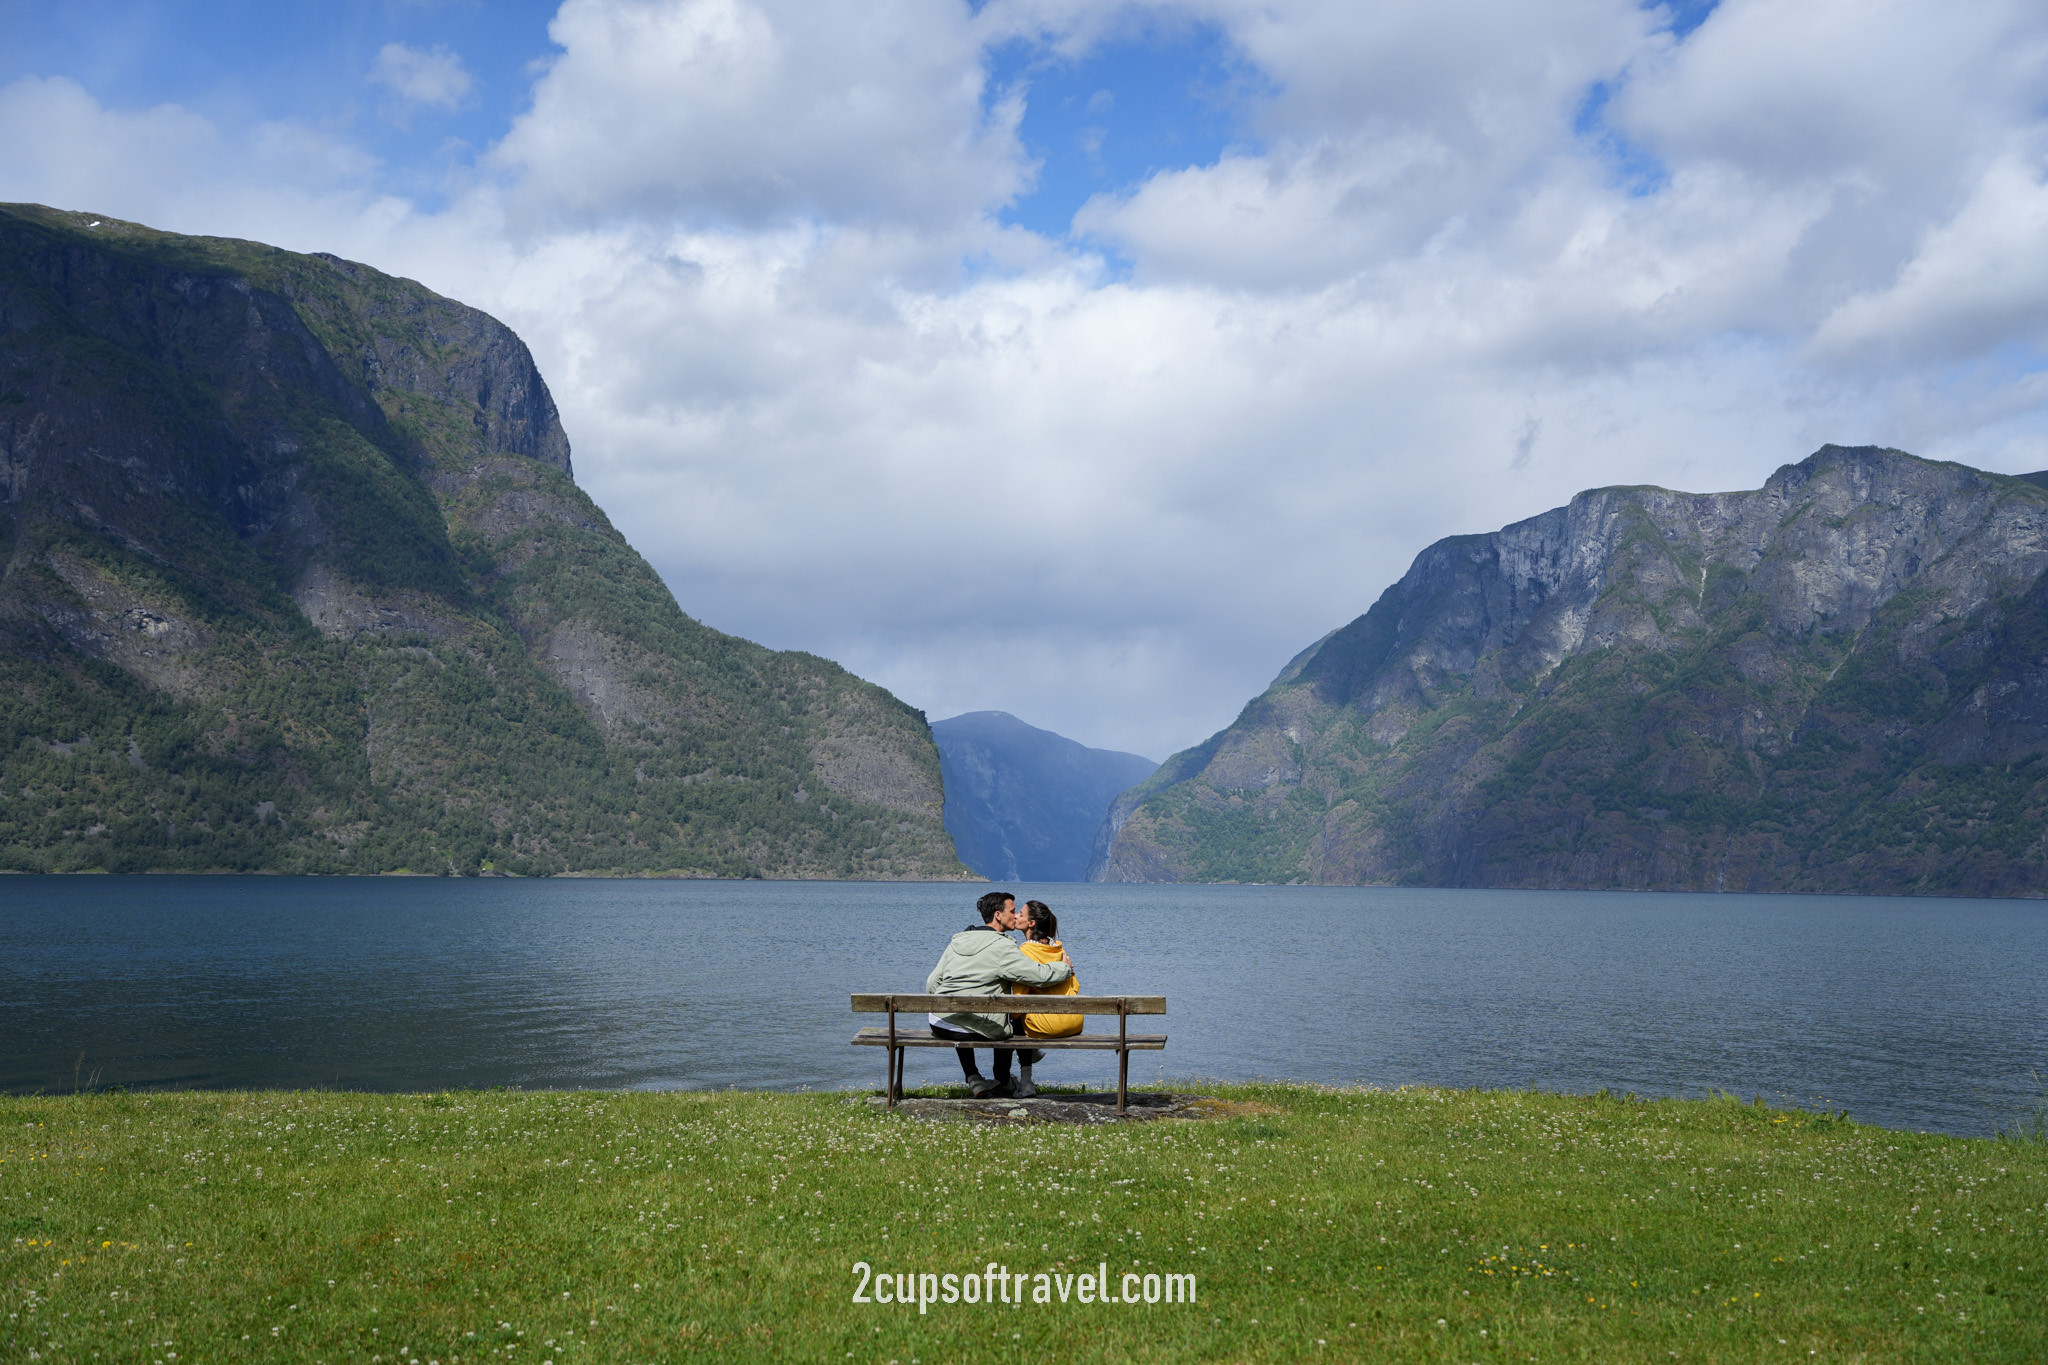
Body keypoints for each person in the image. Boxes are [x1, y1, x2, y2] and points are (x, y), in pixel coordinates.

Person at [926, 890, 1071, 1097]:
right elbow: (1038, 975)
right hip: (971, 1027)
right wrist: (1064, 968)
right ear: (997, 915)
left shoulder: (956, 942)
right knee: (1005, 1022)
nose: (1015, 916)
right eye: (1012, 911)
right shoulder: (1003, 946)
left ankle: (974, 1079)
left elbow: (932, 984)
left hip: (940, 1023)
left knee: (959, 1014)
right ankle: (1003, 1079)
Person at [1011, 900, 1082, 1098]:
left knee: (1011, 1017)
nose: (1016, 916)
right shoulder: (1060, 950)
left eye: (1021, 914)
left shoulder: (1025, 951)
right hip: (1074, 1022)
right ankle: (1032, 1051)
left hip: (1046, 1027)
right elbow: (1074, 987)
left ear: (1031, 923)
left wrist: (1011, 1016)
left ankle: (1025, 1082)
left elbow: (1018, 999)